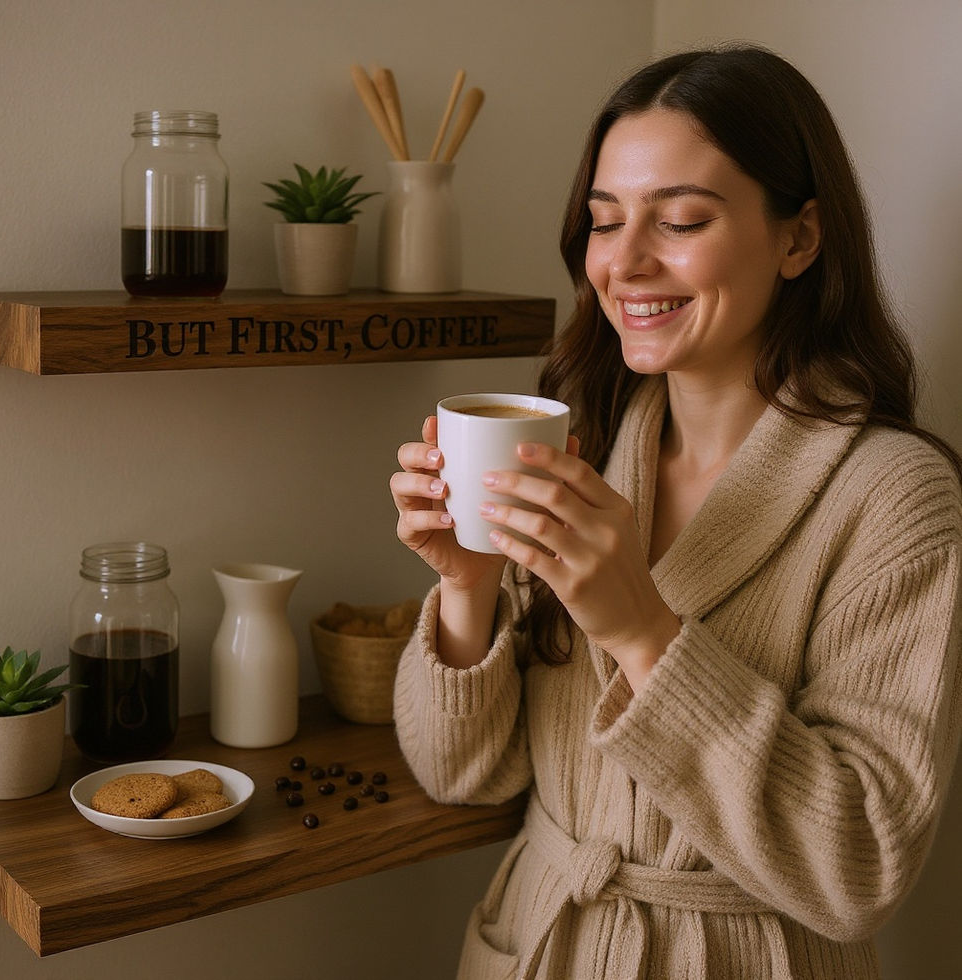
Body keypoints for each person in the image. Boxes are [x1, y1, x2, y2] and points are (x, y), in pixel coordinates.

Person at [389, 43, 962, 980]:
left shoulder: (892, 498)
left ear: (799, 239)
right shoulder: (589, 444)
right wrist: (470, 587)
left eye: (683, 219)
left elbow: (861, 868)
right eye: (605, 222)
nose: (626, 263)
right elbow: (462, 775)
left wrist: (644, 630)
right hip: (541, 940)